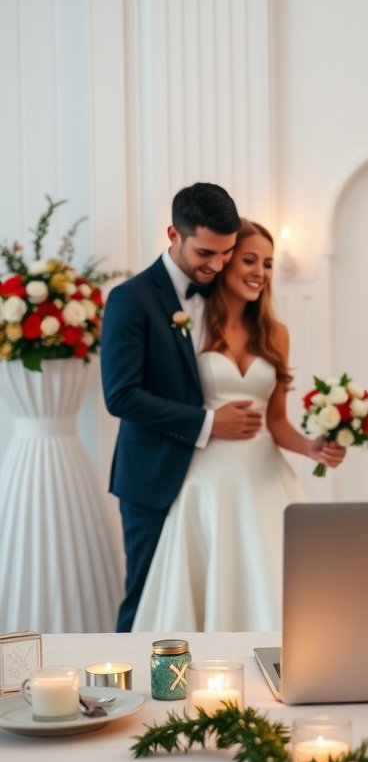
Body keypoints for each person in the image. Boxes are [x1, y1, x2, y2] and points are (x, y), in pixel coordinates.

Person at [132, 219, 345, 633]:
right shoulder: (188, 324)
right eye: (249, 260)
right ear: (225, 262)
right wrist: (212, 422)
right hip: (205, 479)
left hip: (266, 478)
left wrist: (312, 448)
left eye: (267, 264)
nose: (260, 272)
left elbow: (276, 421)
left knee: (274, 583)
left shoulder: (276, 334)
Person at [101, 184, 262, 632]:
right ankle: (123, 697)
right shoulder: (130, 299)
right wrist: (210, 423)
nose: (217, 264)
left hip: (219, 486)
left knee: (209, 601)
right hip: (153, 476)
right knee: (147, 599)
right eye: (206, 252)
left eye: (228, 252)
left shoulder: (228, 295)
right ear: (173, 233)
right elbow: (121, 396)